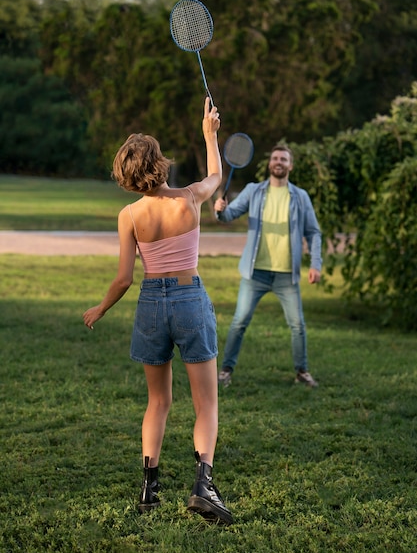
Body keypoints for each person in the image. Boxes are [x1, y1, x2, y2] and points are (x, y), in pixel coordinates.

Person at [83, 97, 233, 526]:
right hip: (189, 299)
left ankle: (149, 490)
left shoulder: (129, 214)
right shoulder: (188, 200)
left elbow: (123, 279)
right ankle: (203, 486)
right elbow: (217, 176)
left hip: (150, 304)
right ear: (161, 163)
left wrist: (100, 308)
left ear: (127, 174)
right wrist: (209, 134)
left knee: (158, 401)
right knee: (206, 404)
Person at [214, 143, 322, 389]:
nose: (279, 162)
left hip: (287, 275)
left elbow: (314, 232)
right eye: (275, 158)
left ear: (290, 166)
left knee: (297, 325)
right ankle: (225, 372)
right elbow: (229, 216)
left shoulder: (301, 197)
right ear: (269, 164)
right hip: (256, 273)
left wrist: (315, 264)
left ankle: (302, 372)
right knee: (239, 322)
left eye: (284, 159)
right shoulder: (254, 191)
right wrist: (220, 211)